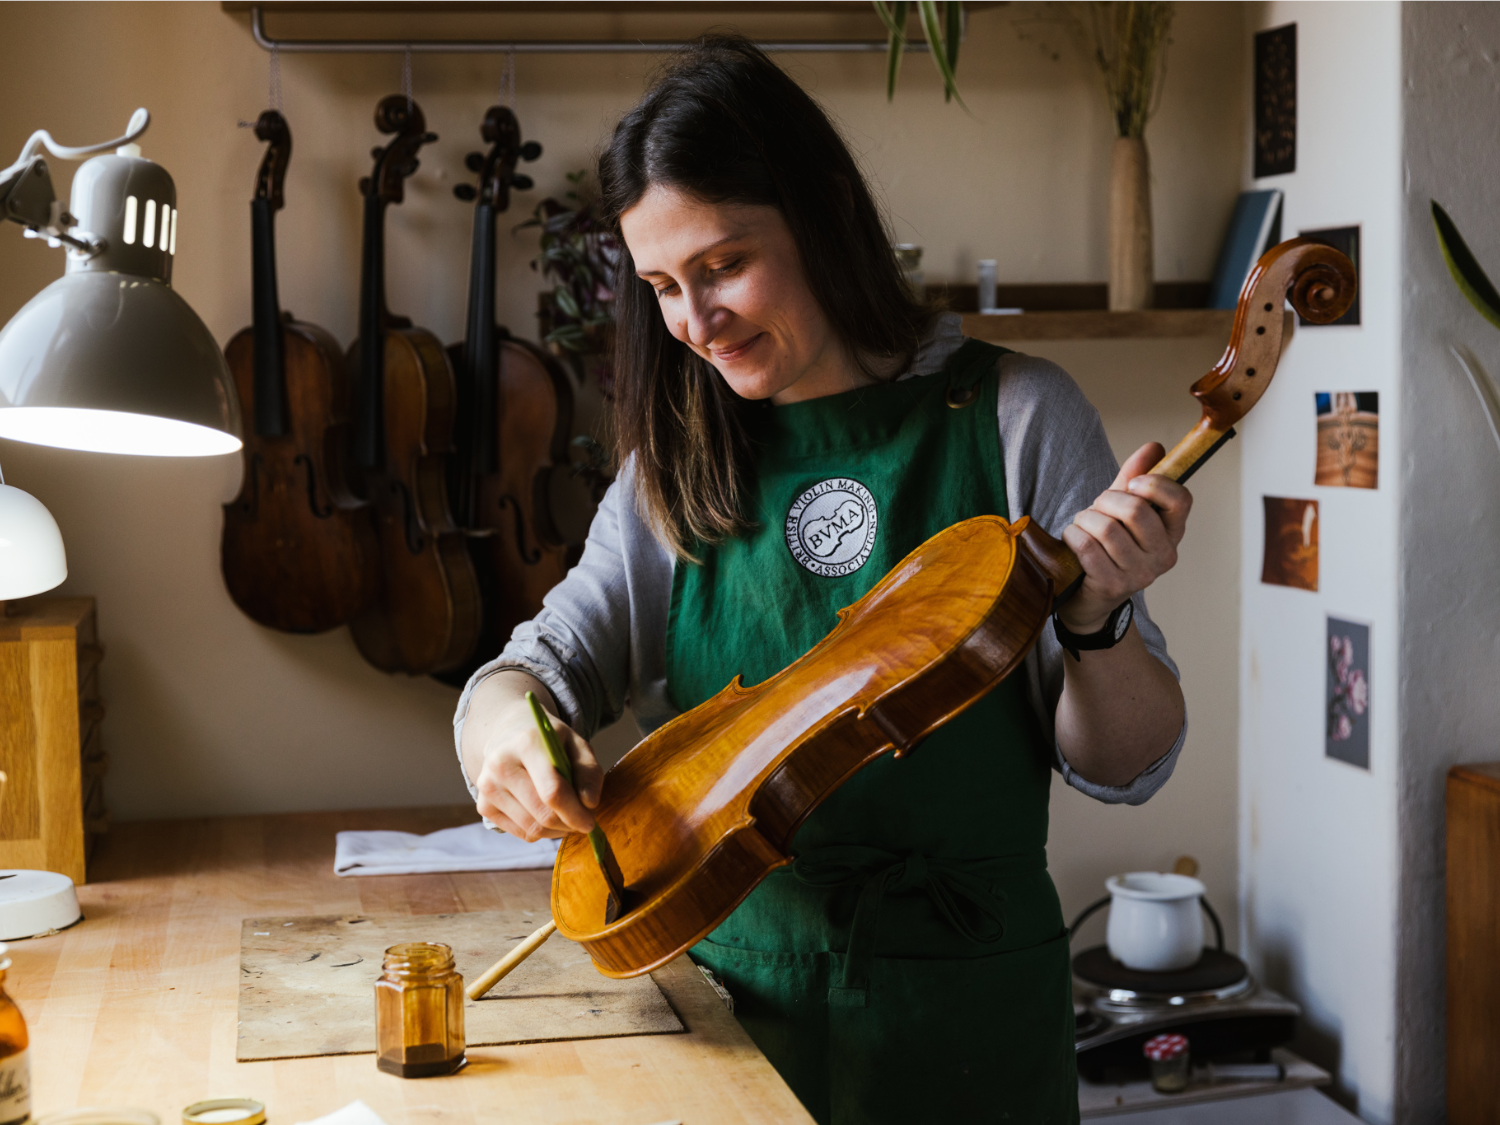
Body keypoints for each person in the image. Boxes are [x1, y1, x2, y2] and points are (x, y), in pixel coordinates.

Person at [455, 36, 1188, 1125]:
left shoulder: (1020, 414)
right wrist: (509, 733)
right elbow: (530, 672)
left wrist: (1095, 622)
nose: (696, 325)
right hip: (727, 1017)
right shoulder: (675, 461)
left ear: (826, 213)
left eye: (722, 266)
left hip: (969, 1019)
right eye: (661, 286)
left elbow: (1132, 764)